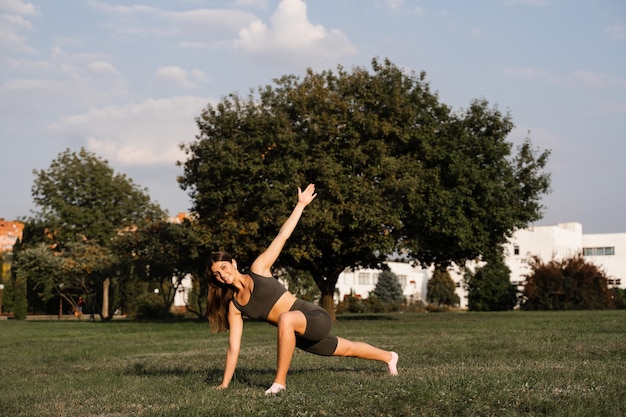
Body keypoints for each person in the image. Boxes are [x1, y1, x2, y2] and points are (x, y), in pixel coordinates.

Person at [207, 183, 399, 395]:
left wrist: (300, 205)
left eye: (223, 267)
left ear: (233, 263)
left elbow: (282, 237)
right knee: (347, 349)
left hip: (313, 316)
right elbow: (234, 347)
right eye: (216, 273)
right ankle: (389, 357)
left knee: (286, 318)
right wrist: (224, 384)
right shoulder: (235, 306)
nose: (222, 274)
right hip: (296, 336)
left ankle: (279, 383)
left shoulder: (258, 269)